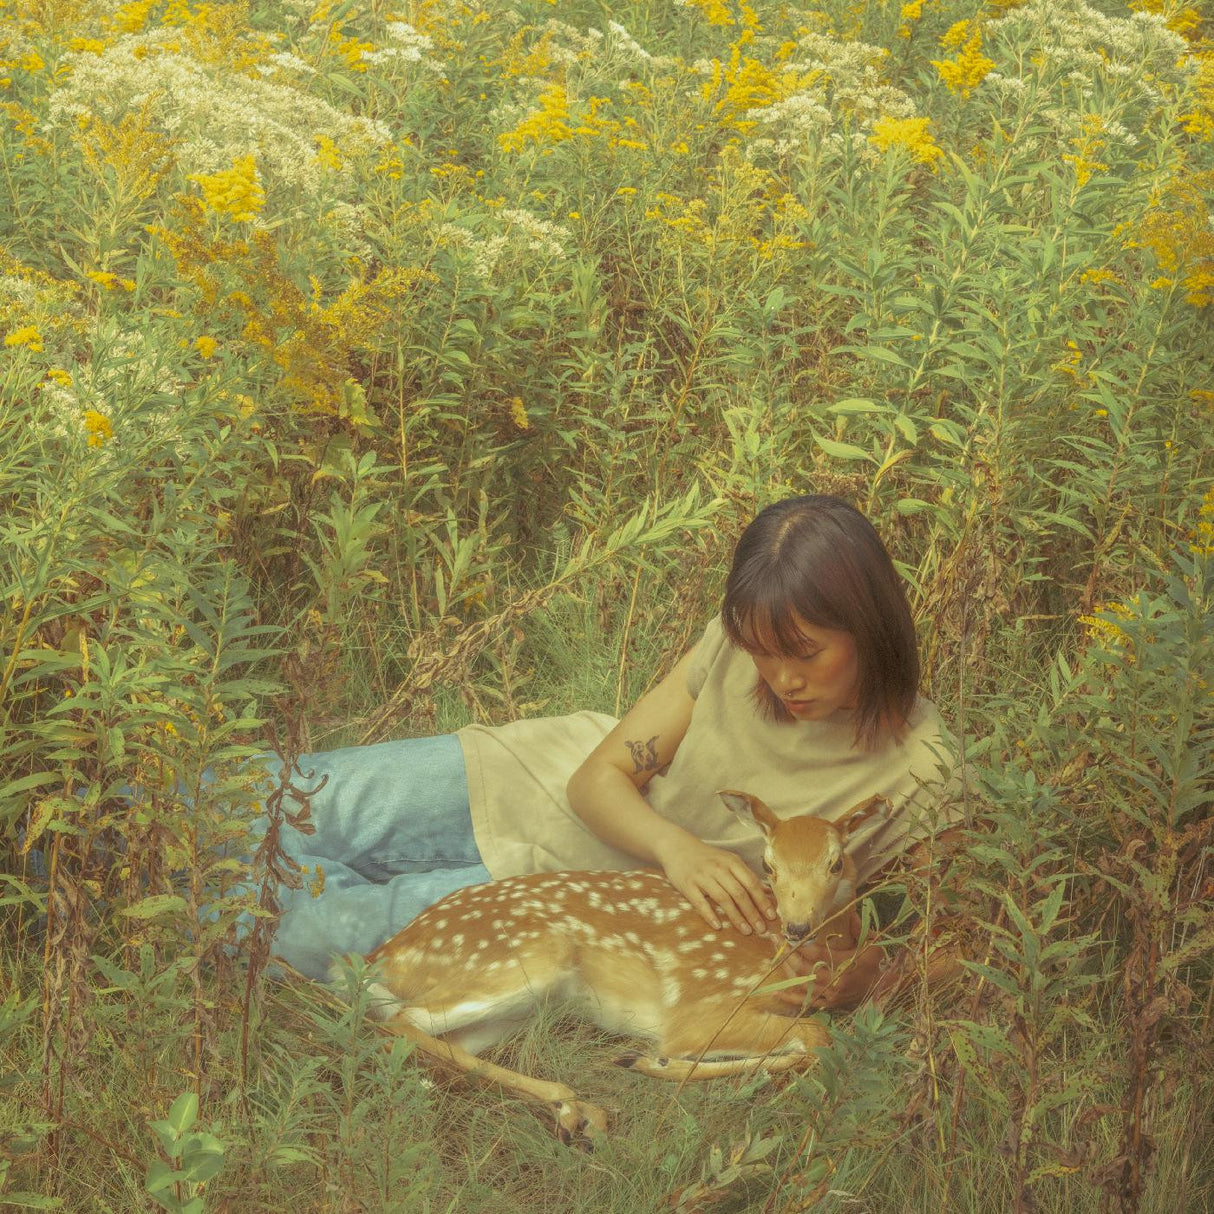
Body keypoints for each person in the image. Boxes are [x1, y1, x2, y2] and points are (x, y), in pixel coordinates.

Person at [266, 494, 961, 1004]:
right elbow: (596, 777)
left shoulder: (922, 769)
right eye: (761, 651)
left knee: (290, 928)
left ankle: (256, 890)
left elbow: (952, 954)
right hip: (532, 778)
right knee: (250, 799)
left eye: (805, 654)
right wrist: (679, 848)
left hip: (585, 903)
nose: (781, 678)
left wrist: (852, 975)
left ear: (871, 627)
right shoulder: (736, 650)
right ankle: (242, 859)